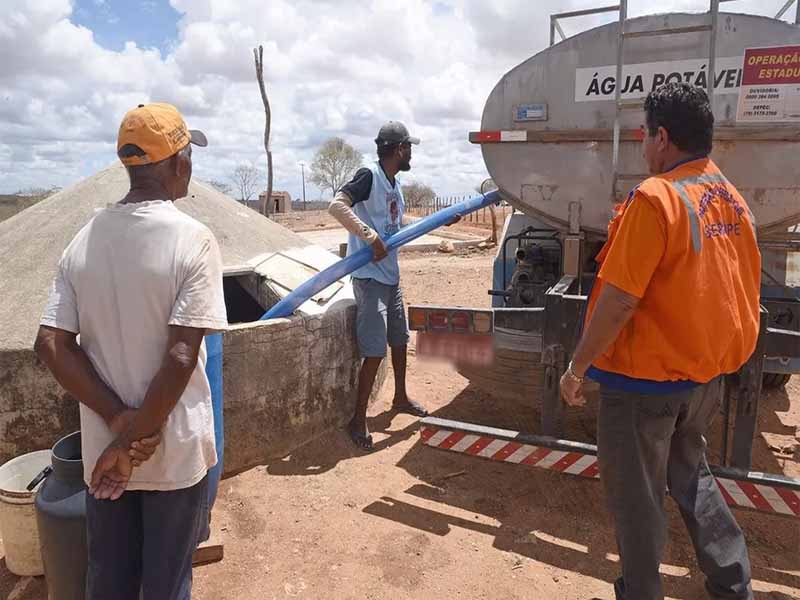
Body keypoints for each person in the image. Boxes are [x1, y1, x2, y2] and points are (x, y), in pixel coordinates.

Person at [559, 82, 760, 600]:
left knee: (638, 501)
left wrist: (576, 368)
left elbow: (620, 301)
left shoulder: (656, 199)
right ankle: (732, 584)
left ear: (664, 138)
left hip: (642, 387)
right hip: (702, 381)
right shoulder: (732, 201)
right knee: (692, 477)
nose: (643, 147)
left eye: (645, 136)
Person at [35, 102, 228, 600]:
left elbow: (51, 343)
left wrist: (117, 424)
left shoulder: (82, 241)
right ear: (179, 161)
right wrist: (133, 441)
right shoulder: (194, 240)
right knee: (165, 584)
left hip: (104, 456)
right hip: (171, 454)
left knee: (109, 581)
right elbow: (182, 356)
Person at [328, 121, 428, 451]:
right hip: (369, 279)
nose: (411, 152)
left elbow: (397, 224)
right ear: (399, 149)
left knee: (399, 340)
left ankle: (399, 397)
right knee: (374, 350)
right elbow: (337, 206)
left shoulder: (394, 184)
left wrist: (439, 220)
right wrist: (368, 237)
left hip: (390, 276)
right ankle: (358, 419)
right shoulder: (368, 175)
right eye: (409, 147)